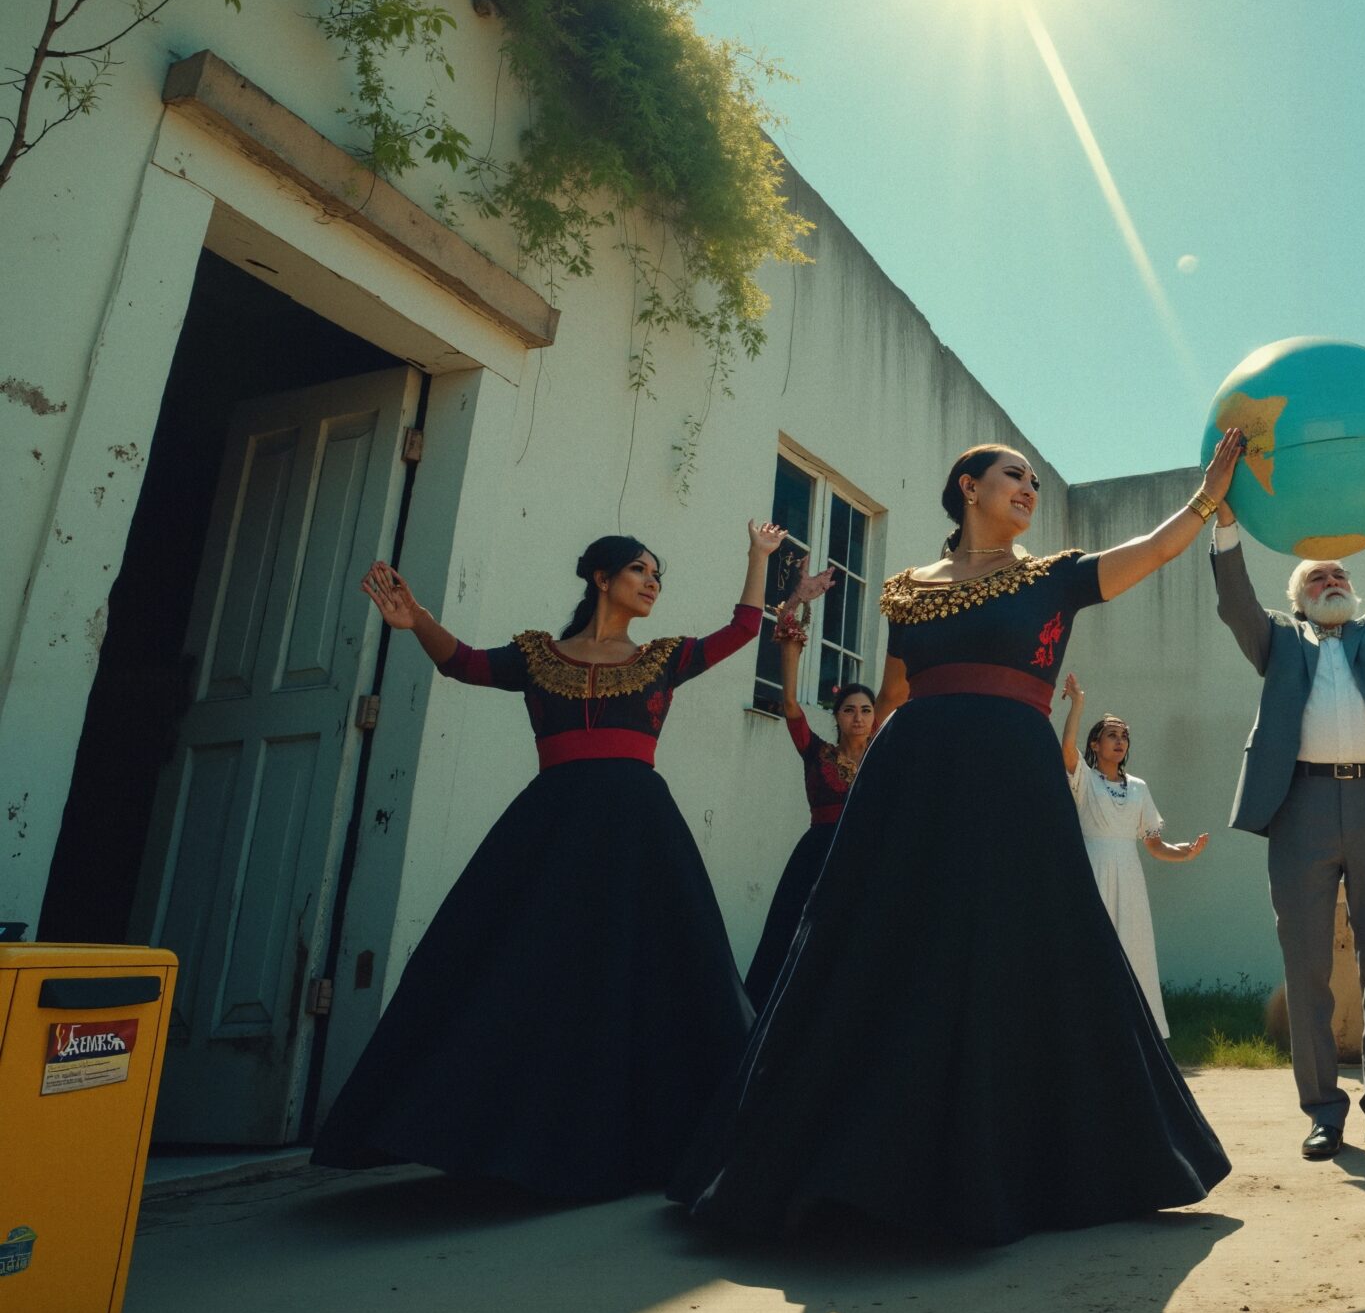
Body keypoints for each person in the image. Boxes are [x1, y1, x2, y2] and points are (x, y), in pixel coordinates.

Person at [670, 436, 1244, 1245]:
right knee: (888, 950)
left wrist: (1207, 494)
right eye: (1016, 475)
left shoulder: (1056, 576)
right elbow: (898, 691)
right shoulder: (907, 589)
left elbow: (1149, 552)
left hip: (1015, 777)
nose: (1030, 488)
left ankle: (1034, 1159)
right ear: (968, 486)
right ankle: (847, 1155)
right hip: (913, 780)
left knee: (1023, 947)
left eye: (1037, 481)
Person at [311, 526, 778, 1198]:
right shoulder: (537, 656)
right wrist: (417, 621)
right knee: (521, 972)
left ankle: (656, 1141)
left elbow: (739, 630)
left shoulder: (662, 657)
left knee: (654, 976)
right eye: (641, 571)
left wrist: (757, 559)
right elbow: (463, 663)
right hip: (551, 830)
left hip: (638, 834)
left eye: (657, 576)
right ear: (601, 577)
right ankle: (511, 1141)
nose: (652, 584)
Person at [1210, 477, 1365, 1161]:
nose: (1333, 578)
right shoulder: (1278, 642)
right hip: (1300, 808)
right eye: (1318, 575)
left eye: (1340, 571)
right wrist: (1226, 520)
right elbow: (1233, 603)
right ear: (1299, 598)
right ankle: (1323, 1110)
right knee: (1307, 964)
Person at [739, 574, 873, 1010]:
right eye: (849, 710)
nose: (858, 717)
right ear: (837, 717)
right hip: (817, 855)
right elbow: (792, 705)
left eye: (866, 711)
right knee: (793, 942)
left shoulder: (884, 761)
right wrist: (793, 608)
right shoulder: (816, 752)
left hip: (862, 859)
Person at [1057, 675, 1209, 1037]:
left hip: (1129, 876)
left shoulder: (1139, 788)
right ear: (1096, 743)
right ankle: (1084, 1030)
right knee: (1091, 950)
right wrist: (1078, 703)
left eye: (1124, 735)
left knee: (1133, 949)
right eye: (1112, 734)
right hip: (1091, 869)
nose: (1119, 740)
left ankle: (1135, 1033)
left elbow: (1154, 844)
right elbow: (1066, 750)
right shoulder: (1086, 780)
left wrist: (1185, 853)